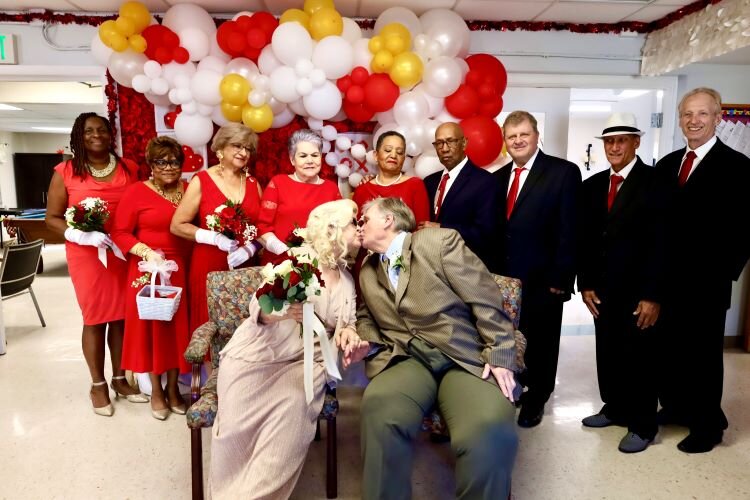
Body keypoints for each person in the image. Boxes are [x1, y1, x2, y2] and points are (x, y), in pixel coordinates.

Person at [355, 197, 519, 500]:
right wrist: (365, 341)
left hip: (460, 354)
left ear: (388, 220)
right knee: (379, 407)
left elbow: (484, 298)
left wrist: (499, 354)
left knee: (489, 425)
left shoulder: (437, 242)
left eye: (364, 219)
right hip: (407, 359)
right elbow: (367, 315)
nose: (359, 225)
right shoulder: (367, 268)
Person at [209, 199, 365, 499]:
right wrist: (276, 312)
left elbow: (349, 322)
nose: (359, 231)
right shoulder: (297, 261)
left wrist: (347, 332)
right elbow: (258, 303)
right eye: (352, 225)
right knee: (235, 431)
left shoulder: (346, 280)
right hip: (258, 355)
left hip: (305, 365)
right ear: (332, 230)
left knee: (290, 416)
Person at [655, 87, 750, 453]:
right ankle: (678, 408)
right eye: (687, 114)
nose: (694, 121)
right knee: (671, 352)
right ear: (680, 120)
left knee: (703, 358)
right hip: (666, 282)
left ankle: (708, 426)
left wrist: (722, 272)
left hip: (706, 285)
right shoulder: (668, 165)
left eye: (702, 114)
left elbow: (745, 229)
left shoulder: (738, 167)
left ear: (718, 117)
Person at [45, 112, 147, 416]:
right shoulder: (65, 172)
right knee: (95, 318)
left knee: (121, 317)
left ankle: (119, 379)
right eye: (89, 131)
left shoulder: (129, 167)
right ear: (79, 136)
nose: (96, 135)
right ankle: (97, 384)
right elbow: (52, 218)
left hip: (121, 252)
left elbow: (140, 204)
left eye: (101, 130)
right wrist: (79, 234)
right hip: (87, 255)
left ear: (109, 134)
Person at [578, 113, 666, 453]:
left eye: (622, 140)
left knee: (640, 358)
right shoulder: (593, 185)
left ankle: (643, 425)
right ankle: (614, 408)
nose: (614, 147)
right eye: (609, 141)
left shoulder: (657, 183)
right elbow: (585, 240)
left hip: (640, 292)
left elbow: (663, 243)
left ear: (636, 142)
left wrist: (653, 295)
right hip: (602, 291)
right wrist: (585, 284)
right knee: (609, 353)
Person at [493, 110, 581, 427]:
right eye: (511, 136)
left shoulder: (563, 172)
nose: (517, 141)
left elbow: (570, 228)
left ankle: (537, 398)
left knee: (542, 341)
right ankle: (515, 388)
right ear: (505, 142)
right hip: (505, 279)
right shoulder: (498, 177)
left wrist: (562, 277)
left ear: (536, 135)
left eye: (523, 134)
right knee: (511, 338)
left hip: (545, 279)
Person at [111, 136, 192, 420]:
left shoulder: (189, 190)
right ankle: (156, 390)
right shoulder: (136, 193)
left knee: (175, 333)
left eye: (174, 161)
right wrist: (146, 252)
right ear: (151, 164)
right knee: (154, 331)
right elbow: (119, 232)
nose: (169, 167)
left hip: (179, 268)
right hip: (149, 270)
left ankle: (174, 390)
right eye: (162, 161)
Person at [170, 123, 263, 335]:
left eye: (248, 148)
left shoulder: (252, 183)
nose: (243, 152)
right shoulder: (201, 180)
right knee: (211, 327)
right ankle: (213, 370)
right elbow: (177, 225)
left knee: (246, 329)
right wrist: (213, 237)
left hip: (245, 267)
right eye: (237, 146)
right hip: (209, 264)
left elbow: (264, 227)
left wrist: (251, 248)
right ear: (221, 147)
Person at [421, 122, 501, 271]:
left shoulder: (486, 182)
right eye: (439, 143)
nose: (444, 149)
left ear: (464, 143)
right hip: (431, 268)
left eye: (450, 141)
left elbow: (487, 233)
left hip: (467, 270)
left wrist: (442, 228)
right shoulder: (430, 182)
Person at [256, 129, 341, 265]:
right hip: (281, 263)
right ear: (292, 159)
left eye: (315, 155)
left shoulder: (331, 188)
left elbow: (341, 226)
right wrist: (283, 251)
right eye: (303, 156)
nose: (310, 161)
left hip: (321, 263)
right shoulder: (278, 183)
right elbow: (262, 227)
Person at [352, 130, 430, 224]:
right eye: (388, 150)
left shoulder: (415, 185)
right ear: (376, 155)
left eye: (399, 152)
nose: (393, 155)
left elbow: (422, 228)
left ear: (403, 159)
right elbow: (357, 228)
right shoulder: (362, 189)